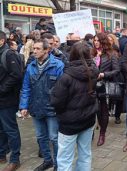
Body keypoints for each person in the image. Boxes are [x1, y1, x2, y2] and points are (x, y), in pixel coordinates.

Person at [51, 42, 99, 171]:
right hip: (88, 119)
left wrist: (61, 114)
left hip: (69, 123)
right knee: (85, 154)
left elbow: (57, 101)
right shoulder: (94, 72)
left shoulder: (66, 77)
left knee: (65, 158)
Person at [20, 39, 64, 171]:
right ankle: (47, 160)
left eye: (38, 49)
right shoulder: (31, 66)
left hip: (52, 108)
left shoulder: (58, 65)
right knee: (40, 137)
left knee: (54, 138)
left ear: (46, 50)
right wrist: (24, 106)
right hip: (36, 107)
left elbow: (62, 89)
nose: (34, 51)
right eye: (34, 48)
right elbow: (26, 87)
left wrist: (60, 107)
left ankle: (57, 164)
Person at [0, 31, 23, 171]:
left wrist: (2, 89)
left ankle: (15, 159)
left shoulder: (8, 54)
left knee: (10, 129)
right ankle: (2, 154)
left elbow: (16, 75)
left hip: (7, 100)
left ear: (2, 41)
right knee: (0, 129)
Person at [92, 33, 120, 146]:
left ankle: (102, 133)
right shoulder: (91, 53)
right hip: (92, 85)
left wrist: (104, 74)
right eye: (94, 40)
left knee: (102, 111)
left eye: (98, 40)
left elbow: (116, 70)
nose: (96, 42)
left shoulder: (111, 54)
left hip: (104, 86)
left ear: (103, 41)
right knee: (92, 110)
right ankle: (91, 132)